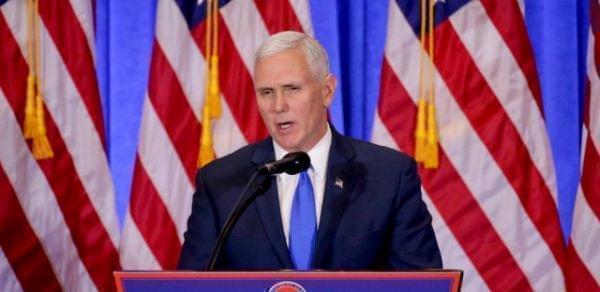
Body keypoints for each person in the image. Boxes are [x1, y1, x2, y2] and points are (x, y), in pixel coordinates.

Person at [178, 31, 442, 270]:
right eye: (266, 92)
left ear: (327, 91)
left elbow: (421, 282)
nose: (278, 105)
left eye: (292, 89)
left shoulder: (388, 176)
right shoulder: (221, 183)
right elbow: (192, 285)